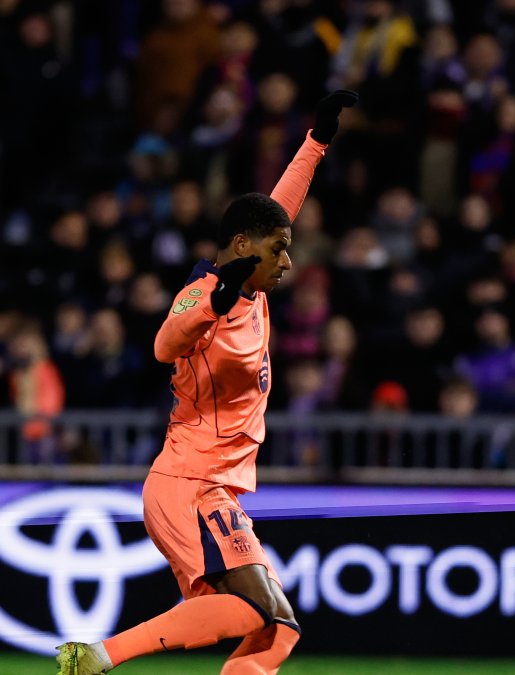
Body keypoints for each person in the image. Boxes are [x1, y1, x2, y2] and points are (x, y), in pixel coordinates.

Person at [55, 90, 358, 675]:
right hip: (188, 484)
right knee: (251, 608)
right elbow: (164, 344)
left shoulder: (253, 279)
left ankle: (102, 655)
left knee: (278, 630)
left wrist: (317, 140)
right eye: (279, 250)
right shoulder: (203, 292)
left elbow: (279, 208)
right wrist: (212, 304)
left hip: (215, 485)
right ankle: (99, 655)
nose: (288, 260)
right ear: (243, 248)